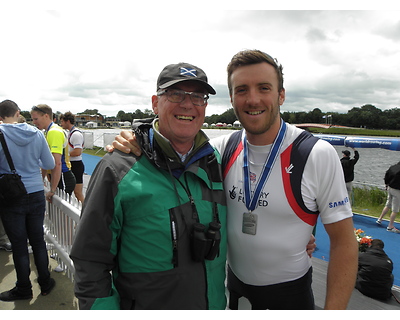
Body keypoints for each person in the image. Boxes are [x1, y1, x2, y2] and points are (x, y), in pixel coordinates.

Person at [113, 49, 358, 310]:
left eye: (264, 88)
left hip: (291, 297)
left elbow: (344, 242)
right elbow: (173, 145)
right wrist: (135, 137)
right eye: (242, 90)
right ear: (232, 98)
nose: (253, 99)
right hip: (234, 292)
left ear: (281, 95)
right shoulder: (220, 150)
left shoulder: (315, 154)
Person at [70, 62, 228, 310]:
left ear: (205, 106)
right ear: (155, 103)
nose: (188, 104)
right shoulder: (117, 168)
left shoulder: (215, 161)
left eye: (198, 97)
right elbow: (90, 262)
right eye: (176, 94)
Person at [0, 99, 56, 301]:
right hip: (35, 193)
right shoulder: (37, 133)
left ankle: (23, 288)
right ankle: (45, 282)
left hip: (11, 196)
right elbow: (49, 163)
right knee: (38, 241)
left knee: (19, 245)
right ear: (17, 112)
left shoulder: (1, 134)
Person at [31, 104, 76, 201]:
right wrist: (42, 179)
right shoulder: (49, 131)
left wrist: (52, 189)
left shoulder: (54, 132)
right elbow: (45, 160)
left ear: (46, 116)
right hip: (58, 177)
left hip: (63, 176)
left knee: (63, 213)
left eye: (36, 119)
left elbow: (57, 163)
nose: (34, 122)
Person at [60, 112, 85, 203]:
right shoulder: (69, 133)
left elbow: (78, 152)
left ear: (68, 121)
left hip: (76, 165)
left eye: (62, 121)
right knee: (71, 191)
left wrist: (63, 155)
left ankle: (87, 212)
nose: (61, 124)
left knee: (78, 193)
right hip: (72, 164)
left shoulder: (76, 134)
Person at [376, 161, 400, 233]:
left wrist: (386, 184)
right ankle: (390, 226)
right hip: (397, 190)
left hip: (390, 187)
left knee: (388, 204)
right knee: (395, 209)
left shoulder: (393, 167)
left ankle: (380, 219)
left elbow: (386, 176)